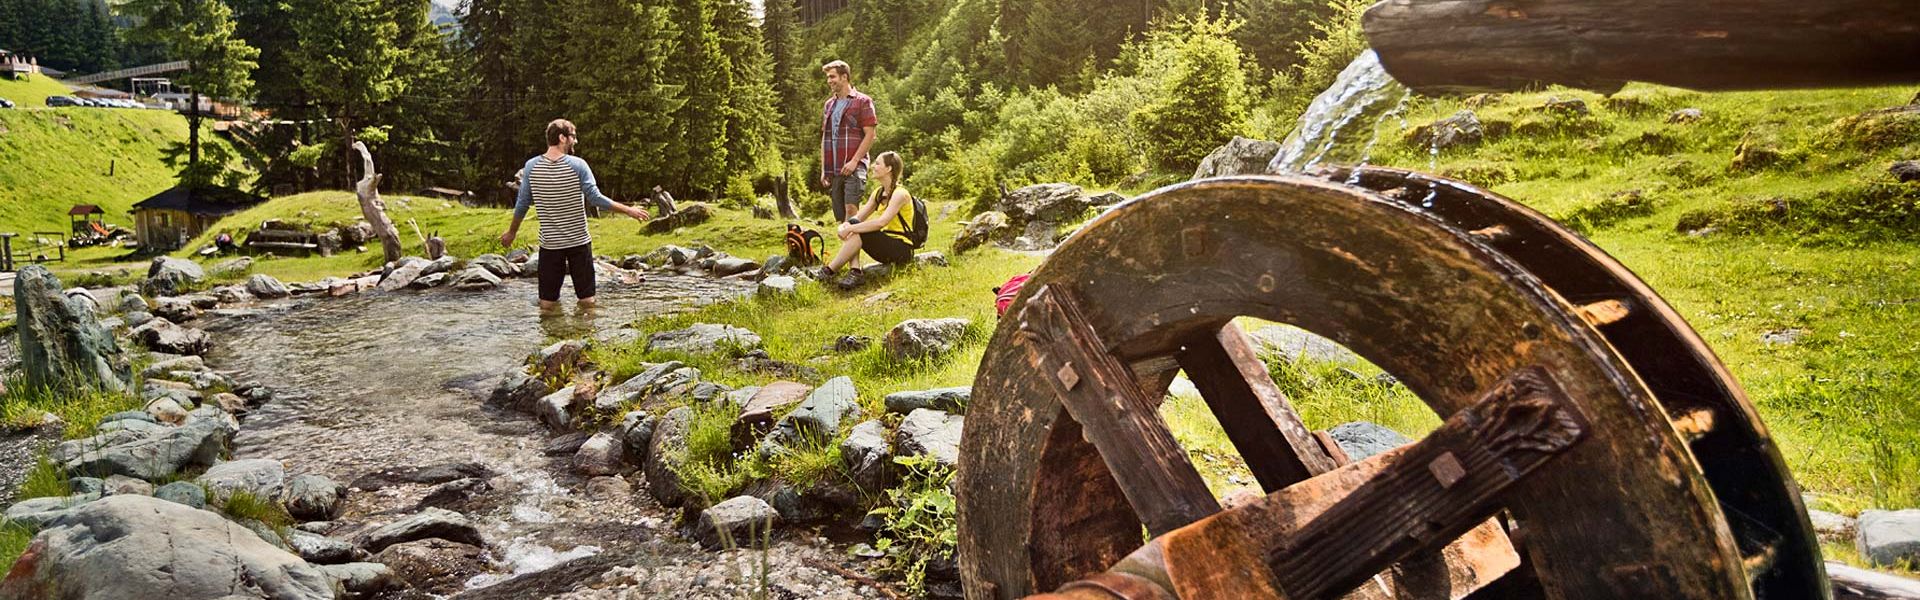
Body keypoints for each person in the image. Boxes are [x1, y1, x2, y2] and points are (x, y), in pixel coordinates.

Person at [500, 119, 650, 311]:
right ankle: (585, 336)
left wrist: (512, 232)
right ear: (562, 138)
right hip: (579, 243)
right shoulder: (578, 165)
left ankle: (550, 337)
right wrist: (629, 210)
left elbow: (522, 204)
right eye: (573, 137)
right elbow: (595, 198)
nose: (575, 141)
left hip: (550, 245)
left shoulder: (531, 167)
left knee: (547, 305)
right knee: (587, 302)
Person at [820, 151, 915, 277]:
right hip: (886, 246)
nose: (872, 167)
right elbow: (858, 217)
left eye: (877, 164)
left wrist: (850, 228)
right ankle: (854, 271)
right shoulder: (878, 193)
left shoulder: (900, 194)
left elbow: (881, 222)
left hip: (902, 249)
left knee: (857, 229)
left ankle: (829, 271)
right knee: (855, 225)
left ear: (888, 168)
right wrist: (845, 225)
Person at [819, 60, 877, 224]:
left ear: (844, 77)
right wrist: (825, 169)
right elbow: (826, 137)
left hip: (855, 167)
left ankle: (852, 249)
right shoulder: (829, 105)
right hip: (835, 169)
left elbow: (870, 134)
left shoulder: (863, 101)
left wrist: (854, 161)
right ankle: (849, 250)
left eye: (832, 76)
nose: (829, 81)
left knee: (851, 213)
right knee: (840, 219)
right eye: (828, 77)